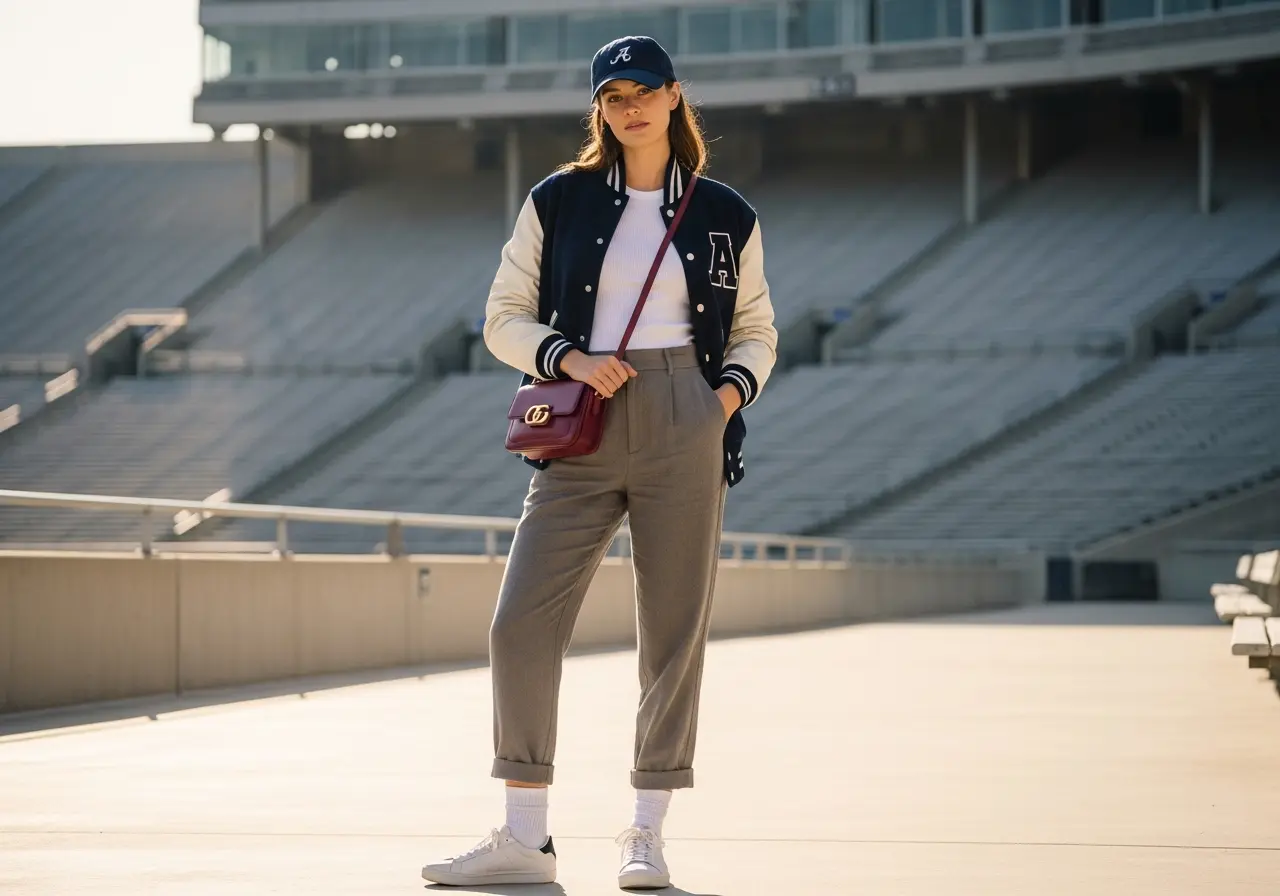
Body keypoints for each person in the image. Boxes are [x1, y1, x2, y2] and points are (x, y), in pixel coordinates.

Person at [422, 34, 777, 890]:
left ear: (674, 97)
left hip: (685, 416)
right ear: (600, 110)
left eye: (644, 92)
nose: (630, 107)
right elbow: (501, 314)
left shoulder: (726, 212)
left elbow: (758, 327)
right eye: (614, 96)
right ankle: (524, 835)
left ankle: (647, 833)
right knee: (520, 623)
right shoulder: (558, 200)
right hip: (581, 420)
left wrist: (720, 401)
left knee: (673, 635)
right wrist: (563, 358)